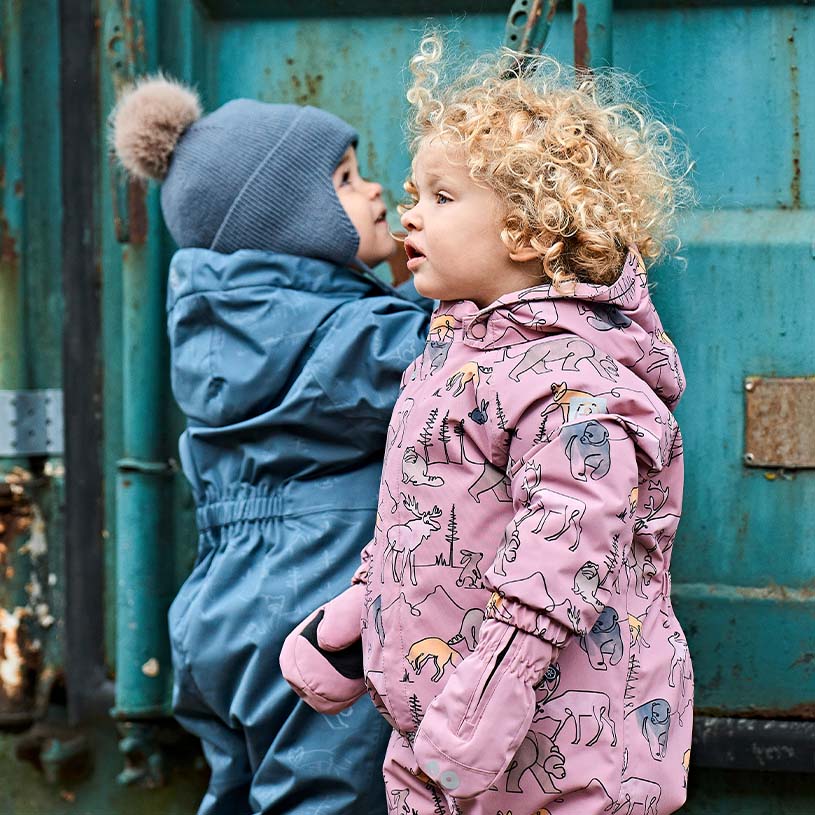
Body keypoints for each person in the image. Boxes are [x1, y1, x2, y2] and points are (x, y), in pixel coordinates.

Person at [281, 33, 695, 815]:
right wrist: (355, 619)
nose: (409, 212)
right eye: (413, 192)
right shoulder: (452, 358)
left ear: (530, 233)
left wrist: (472, 717)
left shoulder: (577, 382)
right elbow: (420, 516)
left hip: (562, 760)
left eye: (441, 197)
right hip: (444, 741)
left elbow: (557, 569)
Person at [111, 76, 432, 815]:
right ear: (288, 221)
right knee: (332, 797)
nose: (379, 190)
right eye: (346, 180)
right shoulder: (328, 333)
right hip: (309, 607)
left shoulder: (234, 326)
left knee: (241, 794)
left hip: (223, 612)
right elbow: (438, 364)